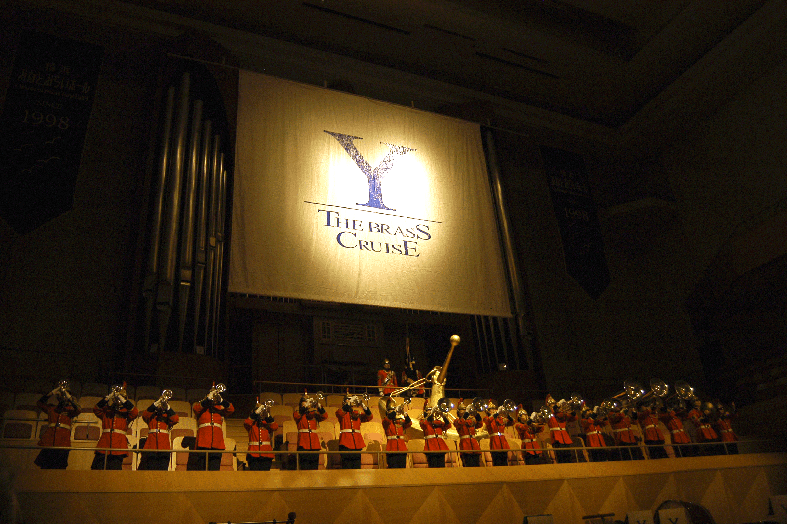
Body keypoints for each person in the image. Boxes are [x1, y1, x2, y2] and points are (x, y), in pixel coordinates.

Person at [92, 384, 138, 470]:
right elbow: (96, 409)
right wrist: (109, 397)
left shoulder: (126, 413)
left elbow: (135, 412)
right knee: (97, 469)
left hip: (118, 446)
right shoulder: (107, 411)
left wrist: (121, 398)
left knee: (114, 470)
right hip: (104, 444)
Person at [34, 381, 80, 469]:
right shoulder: (51, 408)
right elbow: (39, 403)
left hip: (63, 442)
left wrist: (69, 397)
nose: (62, 397)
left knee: (60, 468)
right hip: (49, 441)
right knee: (45, 468)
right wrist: (52, 392)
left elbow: (78, 409)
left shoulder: (70, 410)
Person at [191, 384, 234, 470]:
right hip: (203, 442)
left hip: (217, 443)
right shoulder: (202, 406)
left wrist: (222, 401)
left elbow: (231, 409)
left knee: (214, 470)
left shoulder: (220, 408)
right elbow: (196, 409)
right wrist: (207, 400)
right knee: (201, 469)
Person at [139, 390, 179, 470]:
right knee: (151, 469)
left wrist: (167, 407)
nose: (161, 405)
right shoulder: (151, 416)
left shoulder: (167, 416)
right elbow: (145, 415)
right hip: (151, 445)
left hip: (164, 446)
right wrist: (156, 403)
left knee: (163, 470)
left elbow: (175, 419)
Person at [336, 392, 373, 469]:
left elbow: (369, 417)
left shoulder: (356, 414)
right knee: (347, 467)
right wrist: (348, 403)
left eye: (351, 399)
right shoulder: (342, 413)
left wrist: (363, 406)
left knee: (357, 467)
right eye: (348, 399)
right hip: (345, 442)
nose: (351, 401)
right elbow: (339, 413)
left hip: (357, 443)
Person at [293, 391, 327, 470]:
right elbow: (297, 416)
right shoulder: (297, 413)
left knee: (314, 468)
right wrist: (305, 408)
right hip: (303, 444)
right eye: (305, 401)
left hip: (314, 444)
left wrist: (320, 408)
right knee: (304, 468)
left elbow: (324, 416)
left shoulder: (314, 413)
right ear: (301, 403)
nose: (307, 403)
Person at [244, 399, 279, 471]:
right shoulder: (251, 425)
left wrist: (267, 414)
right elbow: (247, 422)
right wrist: (257, 411)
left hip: (266, 454)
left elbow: (275, 426)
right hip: (253, 453)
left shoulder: (267, 424)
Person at [419, 398, 451, 468]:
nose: (430, 411)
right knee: (433, 468)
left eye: (431, 410)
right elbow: (424, 423)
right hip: (431, 447)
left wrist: (444, 417)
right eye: (428, 410)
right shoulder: (423, 421)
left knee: (442, 467)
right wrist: (431, 414)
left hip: (440, 447)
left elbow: (448, 426)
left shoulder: (438, 422)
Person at [545, 395, 576, 464]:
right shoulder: (548, 413)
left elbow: (572, 419)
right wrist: (556, 406)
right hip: (556, 436)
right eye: (551, 404)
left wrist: (572, 414)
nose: (554, 405)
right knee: (560, 455)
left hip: (565, 436)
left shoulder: (561, 413)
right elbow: (550, 414)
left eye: (554, 404)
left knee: (568, 455)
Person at [382, 398, 411, 468]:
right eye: (391, 410)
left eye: (394, 410)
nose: (393, 412)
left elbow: (409, 423)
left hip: (402, 449)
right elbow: (388, 419)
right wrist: (395, 411)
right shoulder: (386, 421)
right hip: (391, 449)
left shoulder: (400, 421)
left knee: (402, 470)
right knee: (392, 470)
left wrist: (405, 414)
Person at [483, 400, 513, 466]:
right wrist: (496, 414)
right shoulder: (487, 418)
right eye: (492, 409)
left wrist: (507, 415)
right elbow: (488, 421)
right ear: (488, 411)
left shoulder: (501, 419)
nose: (494, 410)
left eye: (495, 409)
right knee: (497, 462)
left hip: (503, 442)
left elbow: (512, 422)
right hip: (495, 442)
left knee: (505, 462)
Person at [453, 399, 482, 467]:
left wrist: (478, 418)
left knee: (477, 466)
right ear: (458, 411)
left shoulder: (471, 420)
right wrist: (464, 417)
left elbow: (479, 425)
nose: (464, 411)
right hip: (465, 445)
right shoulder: (457, 420)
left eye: (465, 409)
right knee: (468, 465)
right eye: (462, 410)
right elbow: (459, 423)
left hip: (474, 445)